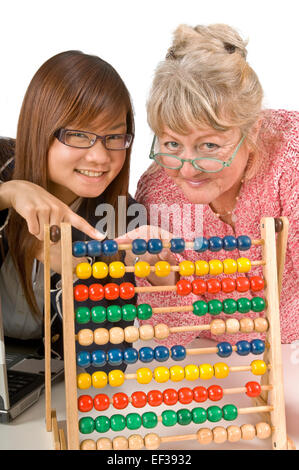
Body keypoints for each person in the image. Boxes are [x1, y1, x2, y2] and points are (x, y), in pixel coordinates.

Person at [123, 23, 298, 346]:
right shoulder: (158, 191)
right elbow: (175, 333)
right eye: (172, 144)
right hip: (212, 361)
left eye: (209, 146)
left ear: (254, 130)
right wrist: (162, 272)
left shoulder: (291, 157)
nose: (187, 167)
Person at [0, 50, 138, 372]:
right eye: (79, 134)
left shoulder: (122, 217)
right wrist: (6, 194)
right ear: (41, 127)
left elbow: (107, 365)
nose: (100, 157)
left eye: (114, 136)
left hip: (46, 394)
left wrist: (79, 276)